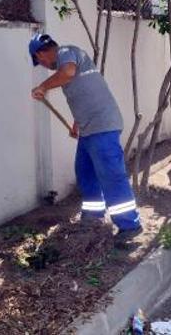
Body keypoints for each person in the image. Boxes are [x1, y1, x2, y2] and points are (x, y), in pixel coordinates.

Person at [28, 34, 143, 248]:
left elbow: (68, 73)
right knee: (85, 173)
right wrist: (76, 124)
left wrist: (43, 86)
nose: (43, 65)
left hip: (103, 126)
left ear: (41, 52)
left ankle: (129, 225)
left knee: (111, 175)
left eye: (40, 61)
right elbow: (85, 95)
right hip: (89, 128)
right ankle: (93, 217)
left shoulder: (66, 53)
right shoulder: (66, 64)